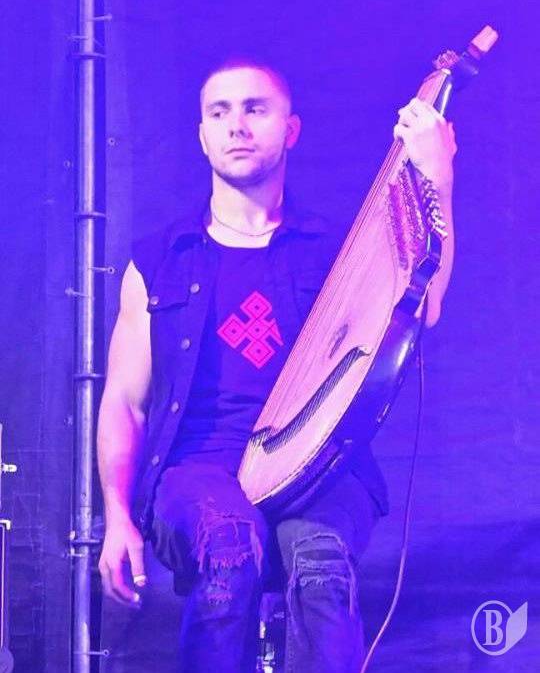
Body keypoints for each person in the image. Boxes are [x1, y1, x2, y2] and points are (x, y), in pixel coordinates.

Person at [97, 57, 456, 672]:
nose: (237, 125)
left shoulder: (337, 251)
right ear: (202, 135)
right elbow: (125, 402)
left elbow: (422, 305)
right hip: (198, 469)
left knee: (320, 568)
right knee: (229, 548)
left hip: (318, 467)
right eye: (220, 112)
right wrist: (117, 518)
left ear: (290, 129)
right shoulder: (159, 260)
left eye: (255, 109)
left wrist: (437, 176)